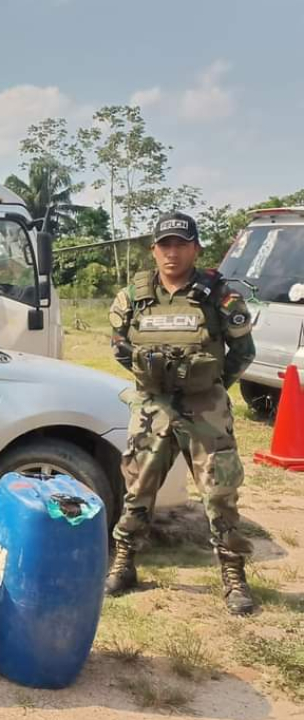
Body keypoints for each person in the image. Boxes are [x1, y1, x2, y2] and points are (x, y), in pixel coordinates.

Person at [106, 212, 257, 616]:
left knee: (219, 492)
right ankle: (124, 563)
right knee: (138, 488)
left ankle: (233, 575)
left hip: (205, 408)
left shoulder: (221, 297)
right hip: (153, 407)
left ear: (195, 249)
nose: (172, 253)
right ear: (153, 250)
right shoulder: (132, 297)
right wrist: (155, 377)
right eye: (164, 245)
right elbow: (120, 346)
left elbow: (243, 352)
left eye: (180, 244)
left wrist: (208, 385)